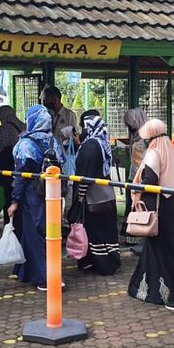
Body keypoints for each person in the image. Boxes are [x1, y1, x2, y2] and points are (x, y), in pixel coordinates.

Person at [127, 119, 174, 313]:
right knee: (158, 250)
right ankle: (147, 290)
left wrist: (137, 194)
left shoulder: (153, 154)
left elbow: (149, 181)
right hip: (172, 205)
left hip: (155, 208)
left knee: (165, 253)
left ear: (151, 138)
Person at [7, 105, 64, 290]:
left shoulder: (25, 144)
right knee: (46, 233)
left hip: (32, 196)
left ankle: (44, 277)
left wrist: (14, 201)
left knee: (36, 235)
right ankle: (23, 270)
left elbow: (20, 175)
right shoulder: (53, 141)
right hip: (52, 193)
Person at [68, 112, 121, 275]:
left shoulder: (90, 146)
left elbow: (85, 175)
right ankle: (111, 260)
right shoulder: (102, 142)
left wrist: (81, 196)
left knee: (95, 230)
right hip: (107, 194)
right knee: (108, 230)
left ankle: (100, 264)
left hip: (93, 197)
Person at [120, 108, 149, 245]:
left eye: (130, 123)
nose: (129, 127)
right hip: (134, 177)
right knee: (131, 206)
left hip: (140, 179)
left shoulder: (146, 137)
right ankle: (132, 235)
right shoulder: (138, 136)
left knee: (136, 206)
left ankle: (137, 235)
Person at [0, 105, 25, 223]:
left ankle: (10, 224)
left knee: (8, 196)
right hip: (21, 166)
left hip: (7, 169)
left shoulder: (2, 129)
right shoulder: (23, 126)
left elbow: (0, 150)